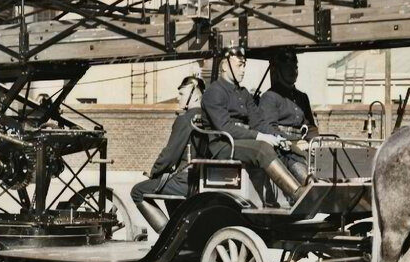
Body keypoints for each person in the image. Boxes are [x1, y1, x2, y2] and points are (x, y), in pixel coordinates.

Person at [201, 45, 304, 200]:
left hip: (242, 142)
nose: (243, 70)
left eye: (244, 66)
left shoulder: (243, 93)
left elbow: (259, 122)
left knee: (287, 148)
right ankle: (296, 193)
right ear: (224, 66)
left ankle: (308, 185)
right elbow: (225, 127)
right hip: (222, 145)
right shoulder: (214, 92)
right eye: (239, 65)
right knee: (262, 147)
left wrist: (279, 138)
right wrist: (260, 137)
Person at [129, 75, 205, 234]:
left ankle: (168, 236)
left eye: (182, 94)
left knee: (138, 191)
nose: (178, 97)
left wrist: (154, 172)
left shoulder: (185, 120)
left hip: (186, 181)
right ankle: (180, 233)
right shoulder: (208, 118)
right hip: (202, 178)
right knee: (168, 193)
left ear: (195, 95)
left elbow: (169, 156)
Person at [257, 50, 316, 179]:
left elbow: (310, 127)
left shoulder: (302, 97)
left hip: (303, 148)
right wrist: (293, 143)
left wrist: (315, 142)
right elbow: (269, 129)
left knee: (330, 169)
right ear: (279, 70)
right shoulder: (269, 97)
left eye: (295, 67)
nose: (293, 71)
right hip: (283, 151)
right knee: (307, 179)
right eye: (288, 67)